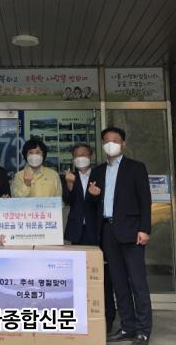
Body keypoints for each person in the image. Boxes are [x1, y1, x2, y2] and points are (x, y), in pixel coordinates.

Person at [93, 127, 152, 344]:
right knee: (119, 283)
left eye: (115, 140)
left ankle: (143, 329)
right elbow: (95, 203)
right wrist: (93, 195)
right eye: (107, 140)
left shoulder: (136, 167)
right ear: (102, 144)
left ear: (123, 143)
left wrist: (144, 229)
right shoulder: (98, 171)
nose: (111, 144)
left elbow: (145, 200)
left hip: (132, 231)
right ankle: (127, 327)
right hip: (108, 231)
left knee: (137, 283)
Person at [63, 143, 116, 334]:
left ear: (91, 155)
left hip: (98, 231)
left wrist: (96, 195)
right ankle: (81, 316)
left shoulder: (100, 174)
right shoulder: (69, 176)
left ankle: (108, 318)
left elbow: (104, 201)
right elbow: (68, 201)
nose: (80, 158)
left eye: (84, 154)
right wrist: (69, 185)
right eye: (77, 155)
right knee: (78, 277)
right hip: (78, 232)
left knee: (103, 276)